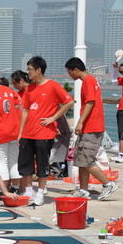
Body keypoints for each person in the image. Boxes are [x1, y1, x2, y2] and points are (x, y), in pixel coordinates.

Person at [17, 56, 74, 206]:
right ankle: (29, 192)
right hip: (28, 133)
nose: (27, 72)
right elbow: (25, 111)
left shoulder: (53, 86)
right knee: (25, 164)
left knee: (42, 165)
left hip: (44, 133)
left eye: (30, 69)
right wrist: (20, 132)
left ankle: (40, 193)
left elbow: (69, 102)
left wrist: (53, 117)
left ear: (38, 70)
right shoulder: (29, 88)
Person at [65, 57, 119, 200]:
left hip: (91, 127)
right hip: (90, 127)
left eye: (70, 72)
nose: (70, 75)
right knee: (81, 159)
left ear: (76, 70)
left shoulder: (88, 81)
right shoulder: (91, 80)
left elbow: (90, 102)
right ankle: (83, 190)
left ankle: (108, 184)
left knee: (87, 160)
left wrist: (80, 122)